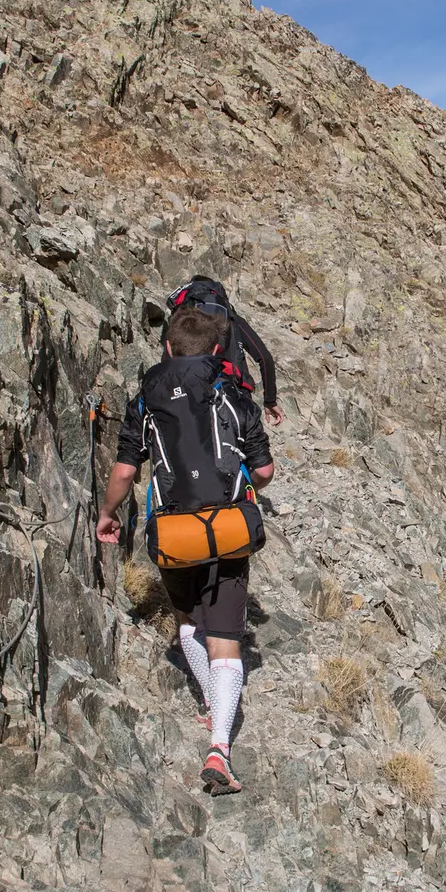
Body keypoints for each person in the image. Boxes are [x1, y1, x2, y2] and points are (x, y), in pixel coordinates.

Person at [97, 305, 275, 795]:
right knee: (226, 638)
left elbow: (125, 473)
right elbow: (263, 473)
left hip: (174, 533)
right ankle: (220, 746)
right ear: (219, 350)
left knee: (190, 624)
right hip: (229, 530)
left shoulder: (144, 400)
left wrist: (108, 515)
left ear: (168, 347)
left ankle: (209, 703)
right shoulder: (234, 397)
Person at [166, 276, 286, 426]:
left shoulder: (182, 322)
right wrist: (270, 400)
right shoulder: (233, 320)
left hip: (191, 398)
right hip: (236, 397)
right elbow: (264, 357)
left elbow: (168, 364)